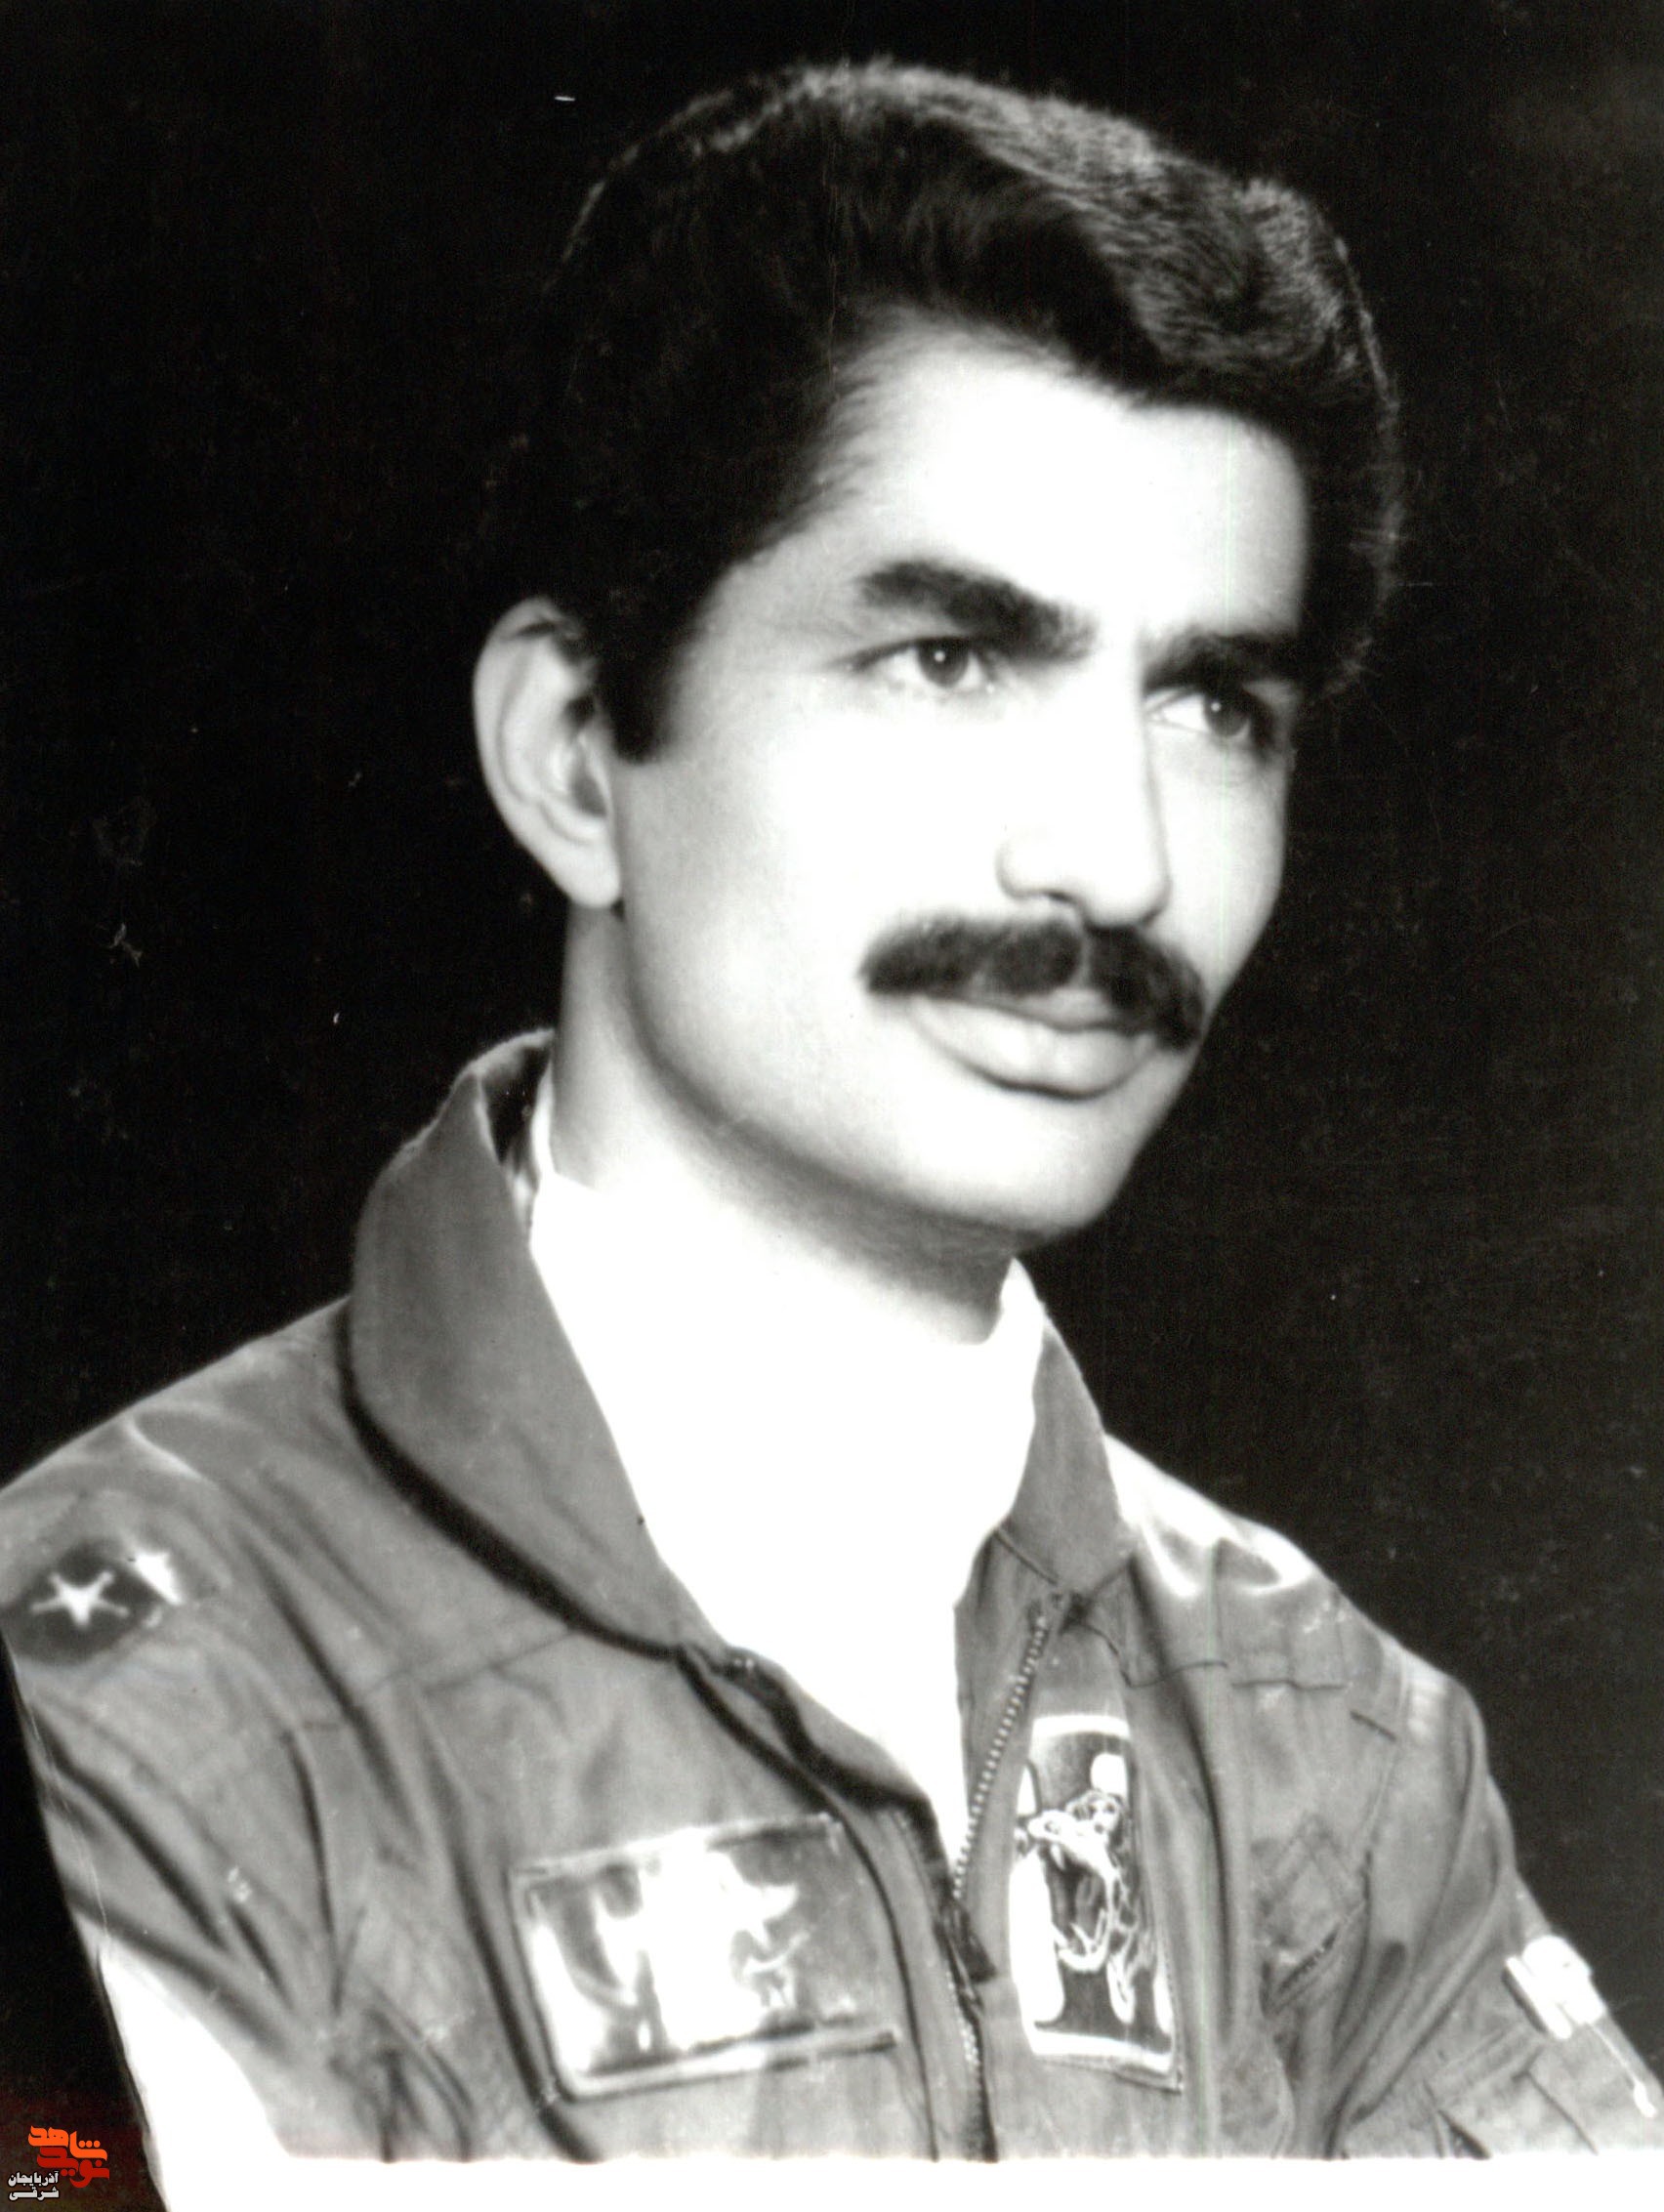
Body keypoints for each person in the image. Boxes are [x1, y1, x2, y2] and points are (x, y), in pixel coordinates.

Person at [1, 59, 1658, 2165]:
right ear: (578, 755)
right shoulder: (133, 1720)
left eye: (1211, 703)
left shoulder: (1331, 1745)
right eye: (951, 657)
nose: (1119, 861)